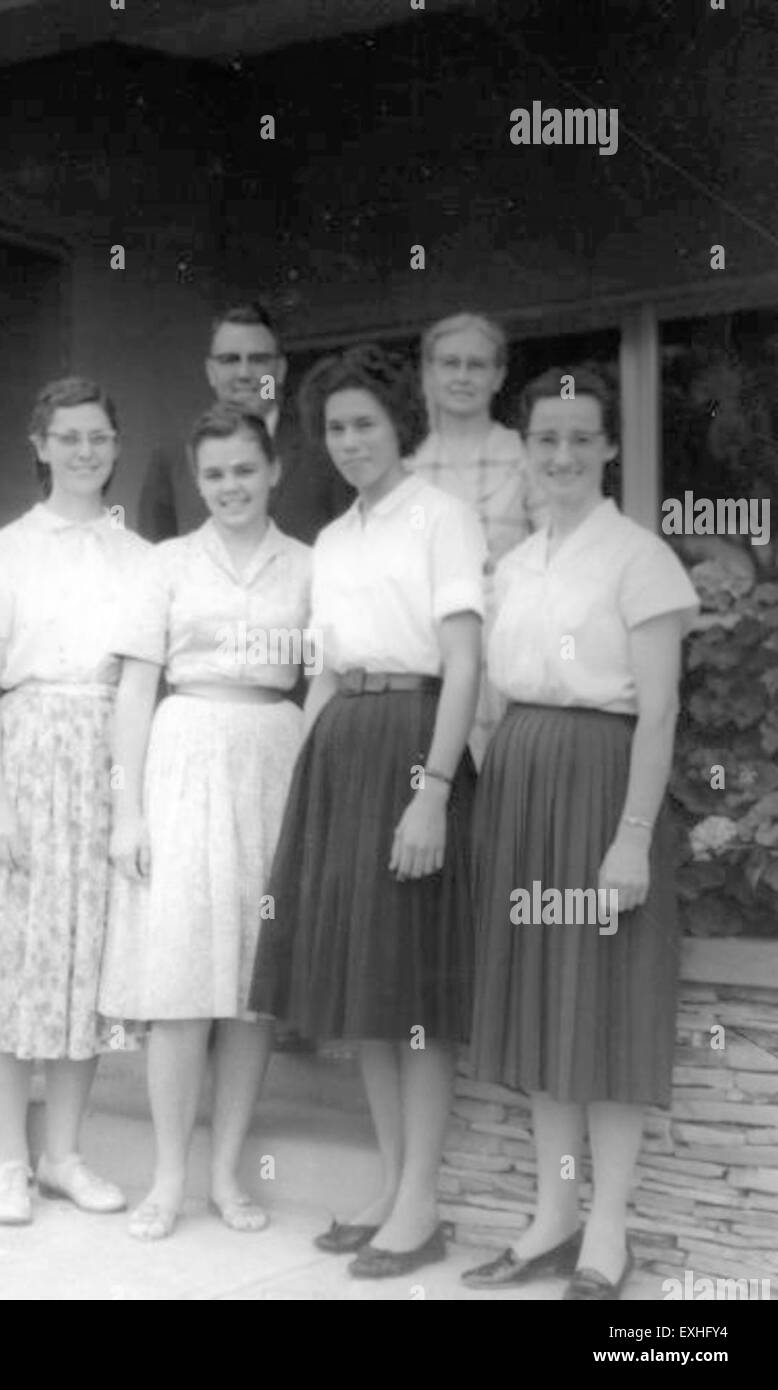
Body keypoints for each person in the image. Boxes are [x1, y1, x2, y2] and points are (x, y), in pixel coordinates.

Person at [248, 345, 486, 1279]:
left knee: (412, 992)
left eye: (365, 424)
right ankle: (392, 1185)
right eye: (335, 428)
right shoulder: (336, 537)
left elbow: (465, 660)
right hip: (345, 746)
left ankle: (421, 1203)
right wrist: (300, 783)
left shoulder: (444, 517)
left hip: (413, 741)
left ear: (400, 426)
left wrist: (431, 792)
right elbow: (325, 671)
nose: (349, 442)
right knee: (368, 993)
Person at [462, 366, 699, 1300]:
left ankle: (608, 1234)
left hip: (603, 790)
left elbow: (662, 712)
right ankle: (553, 1218)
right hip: (523, 789)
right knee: (539, 1011)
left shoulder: (641, 559)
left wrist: (632, 836)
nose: (560, 455)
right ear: (526, 449)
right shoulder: (513, 566)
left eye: (579, 438)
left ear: (609, 448)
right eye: (544, 438)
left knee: (601, 1011)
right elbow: (492, 697)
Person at [0, 376, 149, 1225]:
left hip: (100, 759)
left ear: (116, 445)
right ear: (40, 444)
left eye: (99, 436)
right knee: (7, 959)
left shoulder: (140, 556)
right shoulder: (6, 550)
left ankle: (63, 1154)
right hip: (20, 759)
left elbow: (136, 686)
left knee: (80, 964)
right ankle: (10, 1160)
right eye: (69, 436)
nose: (85, 450)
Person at [99, 402, 312, 1239]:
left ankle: (227, 1175)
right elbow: (133, 692)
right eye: (215, 474)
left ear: (273, 472)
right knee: (182, 985)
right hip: (183, 756)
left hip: (275, 758)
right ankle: (167, 1179)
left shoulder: (308, 565)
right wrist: (127, 811)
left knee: (250, 994)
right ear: (198, 480)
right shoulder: (167, 564)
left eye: (245, 470)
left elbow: (323, 678)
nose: (231, 486)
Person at [408, 312, 545, 768]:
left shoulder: (526, 458)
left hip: (510, 658)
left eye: (477, 365)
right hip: (430, 663)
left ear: (498, 375)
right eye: (449, 363)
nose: (462, 376)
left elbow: (558, 560)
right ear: (429, 373)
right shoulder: (408, 468)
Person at [137, 302, 354, 544]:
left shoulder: (322, 448)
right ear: (211, 372)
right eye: (229, 360)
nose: (243, 374)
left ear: (279, 371)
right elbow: (154, 561)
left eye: (258, 360)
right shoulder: (172, 458)